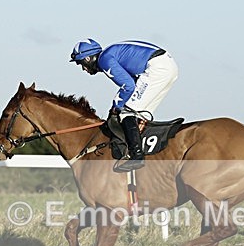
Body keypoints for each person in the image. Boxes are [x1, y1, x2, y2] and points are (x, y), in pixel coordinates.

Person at [70, 38, 178, 172]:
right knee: (141, 114)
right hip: (167, 66)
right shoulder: (110, 54)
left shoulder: (104, 60)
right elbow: (132, 82)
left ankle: (137, 156)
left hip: (156, 69)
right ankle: (144, 151)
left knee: (126, 112)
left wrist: (116, 106)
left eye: (81, 64)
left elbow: (128, 86)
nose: (84, 69)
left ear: (87, 58)